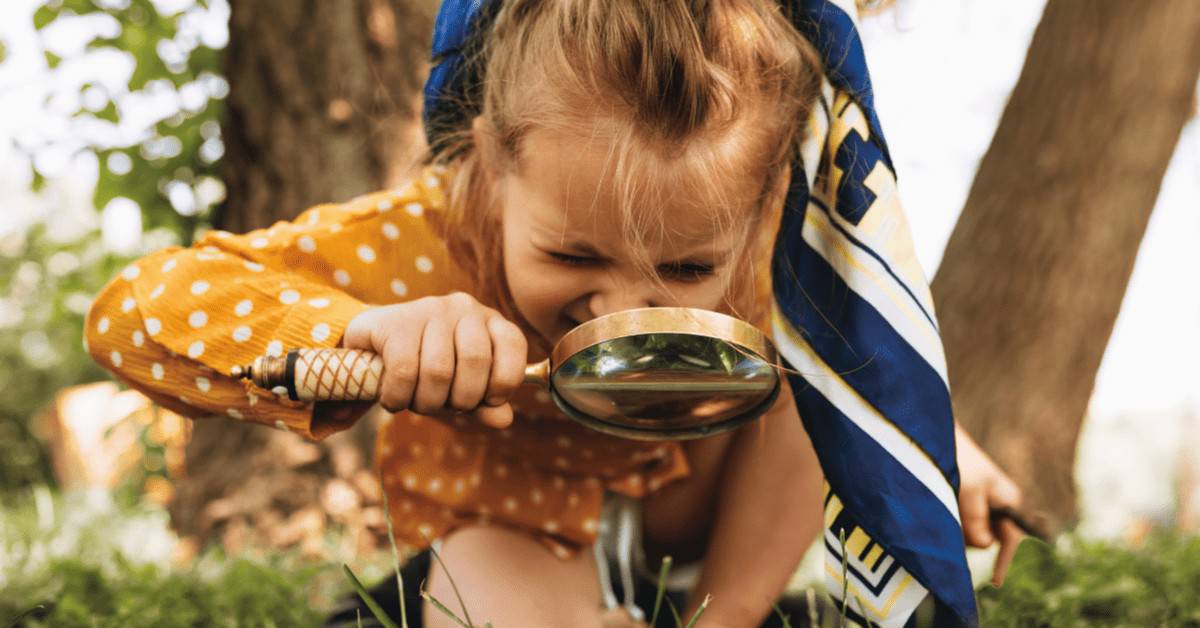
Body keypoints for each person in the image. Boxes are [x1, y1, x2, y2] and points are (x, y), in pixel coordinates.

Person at [85, 1, 1022, 625]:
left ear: (765, 195)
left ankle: (727, 621)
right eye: (573, 254)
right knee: (491, 581)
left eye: (685, 265)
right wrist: (347, 331)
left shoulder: (774, 237)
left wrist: (941, 445)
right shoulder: (425, 239)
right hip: (512, 527)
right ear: (491, 163)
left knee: (809, 344)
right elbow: (134, 314)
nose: (623, 305)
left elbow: (856, 355)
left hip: (690, 521)